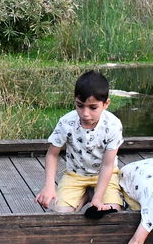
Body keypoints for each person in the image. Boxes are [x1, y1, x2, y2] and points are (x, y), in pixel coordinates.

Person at [36, 71, 123, 214]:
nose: (85, 113)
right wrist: (49, 186)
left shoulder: (113, 125)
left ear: (105, 104)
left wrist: (98, 197)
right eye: (80, 105)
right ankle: (85, 195)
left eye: (93, 107)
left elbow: (107, 165)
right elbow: (52, 154)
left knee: (112, 210)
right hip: (75, 175)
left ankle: (94, 194)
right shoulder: (67, 122)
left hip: (104, 175)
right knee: (60, 212)